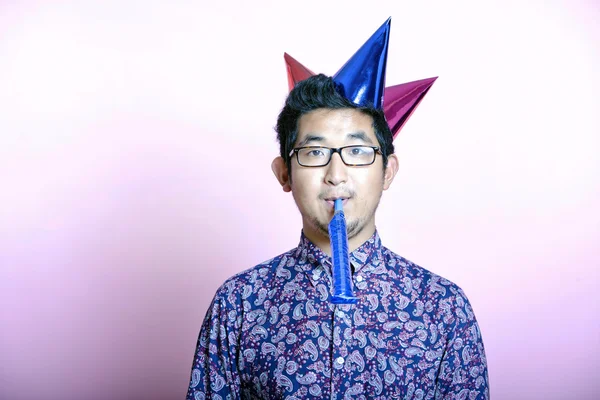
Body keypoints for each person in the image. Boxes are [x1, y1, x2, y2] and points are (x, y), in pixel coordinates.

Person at [186, 19, 489, 400]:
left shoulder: (444, 309)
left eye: (358, 151)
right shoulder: (238, 304)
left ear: (387, 171)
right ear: (284, 174)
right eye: (314, 152)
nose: (336, 174)